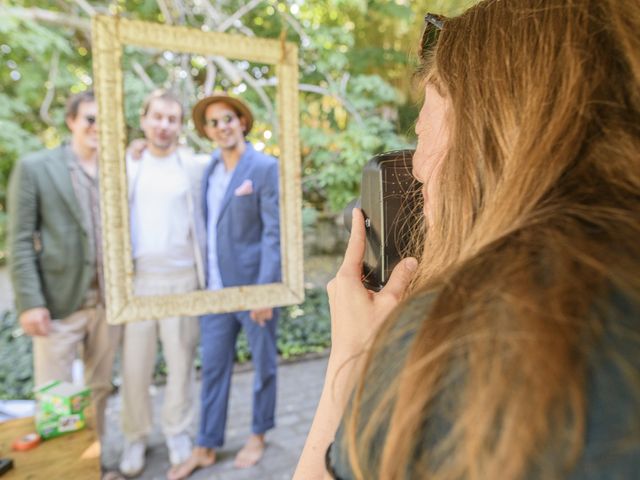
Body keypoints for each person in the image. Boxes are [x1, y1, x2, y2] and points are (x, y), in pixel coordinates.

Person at [295, 0, 640, 479]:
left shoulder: (457, 335)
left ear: (492, 133)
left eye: (423, 132)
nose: (416, 169)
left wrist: (355, 359)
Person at [168, 94, 281, 479]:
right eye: (213, 123)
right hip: (214, 290)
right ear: (206, 130)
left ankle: (259, 433)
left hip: (254, 288)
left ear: (242, 121)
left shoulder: (265, 167)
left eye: (228, 119)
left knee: (264, 365)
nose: (222, 127)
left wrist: (266, 290)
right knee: (213, 368)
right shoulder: (208, 168)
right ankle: (205, 445)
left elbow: (273, 232)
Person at [7, 90, 121, 443]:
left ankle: (97, 463)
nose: (98, 127)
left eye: (105, 120)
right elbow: (20, 240)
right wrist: (30, 302)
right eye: (90, 118)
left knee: (99, 389)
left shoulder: (117, 170)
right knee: (56, 397)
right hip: (58, 304)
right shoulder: (36, 168)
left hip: (107, 304)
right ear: (72, 121)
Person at [118, 90, 206, 477]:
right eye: (157, 117)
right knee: (135, 366)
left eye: (172, 119)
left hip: (183, 278)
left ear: (180, 125)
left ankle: (177, 433)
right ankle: (135, 436)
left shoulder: (193, 166)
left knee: (180, 362)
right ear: (144, 119)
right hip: (138, 281)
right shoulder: (127, 164)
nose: (164, 125)